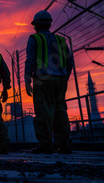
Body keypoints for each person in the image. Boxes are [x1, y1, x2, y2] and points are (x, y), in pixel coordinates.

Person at [24, 10, 74, 154]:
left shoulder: (35, 39)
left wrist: (27, 80)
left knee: (43, 110)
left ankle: (45, 144)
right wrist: (64, 77)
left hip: (43, 80)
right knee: (60, 110)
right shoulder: (60, 40)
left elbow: (30, 61)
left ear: (36, 25)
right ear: (50, 24)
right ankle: (64, 144)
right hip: (60, 79)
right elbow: (69, 61)